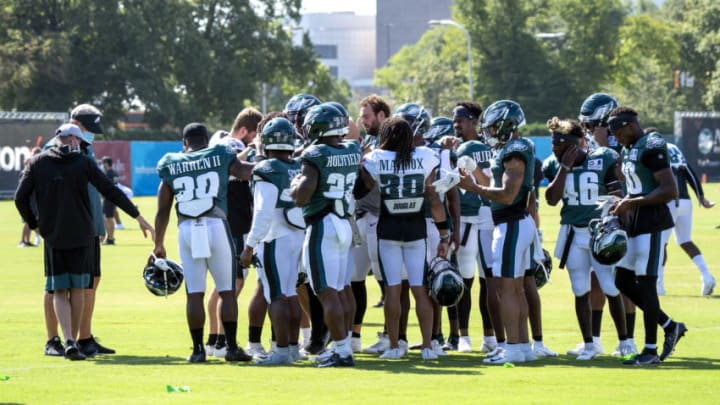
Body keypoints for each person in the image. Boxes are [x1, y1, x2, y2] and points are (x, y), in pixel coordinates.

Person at [15, 123, 154, 361]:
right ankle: (75, 342)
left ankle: (68, 339)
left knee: (59, 289)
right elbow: (110, 190)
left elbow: (20, 198)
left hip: (53, 235)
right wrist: (137, 216)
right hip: (81, 233)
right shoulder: (83, 163)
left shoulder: (38, 163)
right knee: (78, 289)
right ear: (75, 140)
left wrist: (36, 224)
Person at [153, 122, 254, 363]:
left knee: (194, 294)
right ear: (207, 141)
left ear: (185, 143)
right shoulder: (219, 154)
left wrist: (158, 244)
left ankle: (198, 350)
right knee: (227, 291)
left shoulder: (171, 161)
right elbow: (245, 171)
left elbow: (162, 210)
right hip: (216, 224)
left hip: (187, 228)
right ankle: (231, 348)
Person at [356, 116, 450, 361]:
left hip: (388, 231)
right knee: (420, 289)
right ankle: (428, 346)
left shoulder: (376, 158)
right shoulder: (426, 156)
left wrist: (361, 162)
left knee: (393, 291)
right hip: (416, 230)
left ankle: (395, 346)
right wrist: (444, 234)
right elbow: (433, 198)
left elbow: (359, 190)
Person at [542, 117, 632, 360]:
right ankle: (589, 344)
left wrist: (617, 227)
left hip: (599, 232)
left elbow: (617, 194)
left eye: (559, 146)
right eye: (553, 145)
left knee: (610, 287)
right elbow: (551, 199)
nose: (554, 150)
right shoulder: (554, 164)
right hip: (572, 233)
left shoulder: (602, 158)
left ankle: (625, 342)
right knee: (579, 289)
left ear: (574, 144)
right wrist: (565, 167)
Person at [457, 100, 538, 364]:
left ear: (505, 125)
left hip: (511, 223)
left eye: (493, 128)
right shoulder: (512, 149)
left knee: (507, 289)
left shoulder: (514, 150)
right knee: (515, 289)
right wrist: (473, 177)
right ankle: (523, 346)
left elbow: (506, 194)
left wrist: (474, 188)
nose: (488, 133)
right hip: (516, 222)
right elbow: (495, 184)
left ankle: (512, 347)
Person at [608, 107, 687, 365]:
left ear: (630, 125)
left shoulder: (652, 145)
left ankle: (650, 350)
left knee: (647, 281)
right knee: (622, 279)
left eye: (619, 132)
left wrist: (632, 203)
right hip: (636, 220)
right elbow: (635, 187)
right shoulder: (630, 148)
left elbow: (669, 190)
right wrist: (621, 203)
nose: (617, 138)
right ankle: (669, 324)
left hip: (653, 220)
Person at [290, 103, 361, 367]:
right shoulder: (352, 149)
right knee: (341, 290)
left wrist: (294, 186)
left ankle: (341, 350)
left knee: (326, 292)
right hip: (344, 222)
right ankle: (344, 346)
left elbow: (303, 195)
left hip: (322, 225)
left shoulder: (315, 153)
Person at [239, 117, 304, 365]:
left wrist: (249, 245)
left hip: (275, 237)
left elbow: (263, 213)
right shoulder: (297, 166)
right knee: (290, 294)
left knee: (276, 295)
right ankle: (293, 348)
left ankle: (281, 351)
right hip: (297, 234)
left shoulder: (266, 169)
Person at [203, 107, 264, 358]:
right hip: (233, 224)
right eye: (253, 135)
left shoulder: (221, 142)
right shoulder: (230, 144)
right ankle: (220, 341)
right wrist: (256, 148)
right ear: (242, 131)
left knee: (223, 285)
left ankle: (214, 339)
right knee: (233, 284)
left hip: (229, 221)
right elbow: (236, 161)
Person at [451, 101, 497, 354]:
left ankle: (489, 336)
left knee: (488, 279)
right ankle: (463, 336)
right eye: (454, 118)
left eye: (460, 118)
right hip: (466, 217)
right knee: (465, 280)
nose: (455, 123)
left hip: (487, 216)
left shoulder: (489, 146)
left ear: (473, 120)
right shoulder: (453, 148)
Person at [662, 139, 716, 296]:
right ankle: (706, 276)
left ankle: (659, 286)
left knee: (661, 244)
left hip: (669, 200)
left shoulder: (652, 147)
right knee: (685, 240)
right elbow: (689, 171)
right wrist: (701, 196)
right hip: (685, 201)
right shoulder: (674, 149)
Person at [101, 156, 119, 245]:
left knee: (108, 218)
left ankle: (110, 238)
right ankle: (110, 237)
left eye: (103, 163)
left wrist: (103, 196)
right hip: (113, 198)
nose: (102, 165)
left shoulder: (108, 174)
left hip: (109, 198)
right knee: (109, 217)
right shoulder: (114, 173)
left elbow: (106, 186)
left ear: (106, 164)